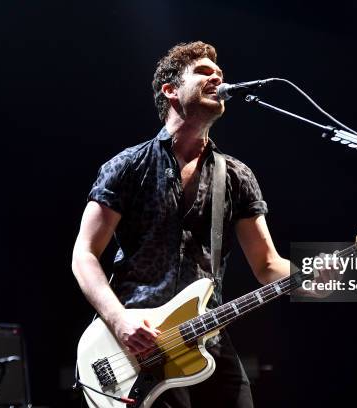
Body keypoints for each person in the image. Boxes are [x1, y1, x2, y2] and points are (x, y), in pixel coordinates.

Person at [72, 41, 292, 407]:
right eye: (204, 72)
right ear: (171, 91)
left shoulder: (236, 175)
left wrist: (325, 275)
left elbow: (268, 266)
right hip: (137, 342)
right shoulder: (127, 166)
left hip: (206, 337)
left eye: (219, 73)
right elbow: (84, 254)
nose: (217, 77)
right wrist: (119, 320)